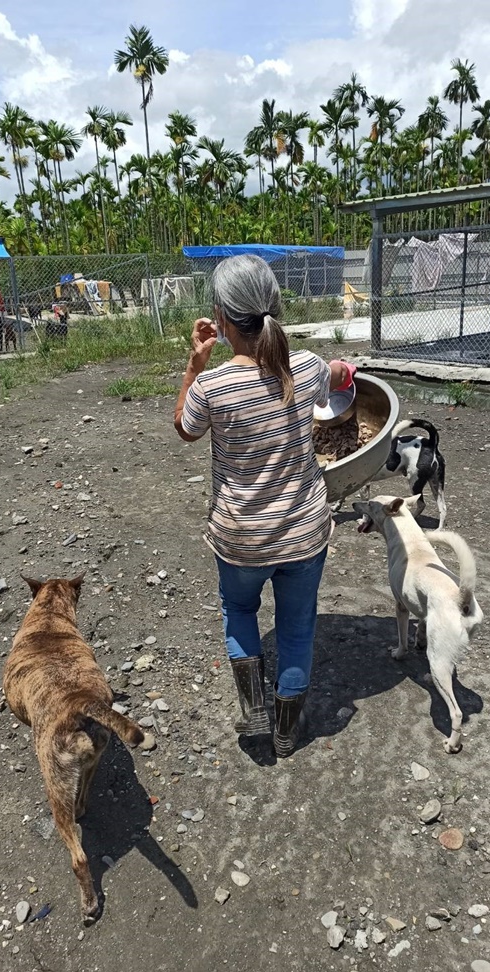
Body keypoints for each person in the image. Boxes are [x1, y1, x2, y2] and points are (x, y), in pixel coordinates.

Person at [174, 254, 355, 757]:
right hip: (303, 533)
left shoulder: (212, 387)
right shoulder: (307, 367)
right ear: (274, 308)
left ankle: (254, 710)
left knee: (239, 609)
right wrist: (347, 371)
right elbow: (338, 376)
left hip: (240, 539)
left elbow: (185, 429)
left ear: (223, 318)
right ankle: (287, 729)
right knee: (298, 627)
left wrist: (194, 363)